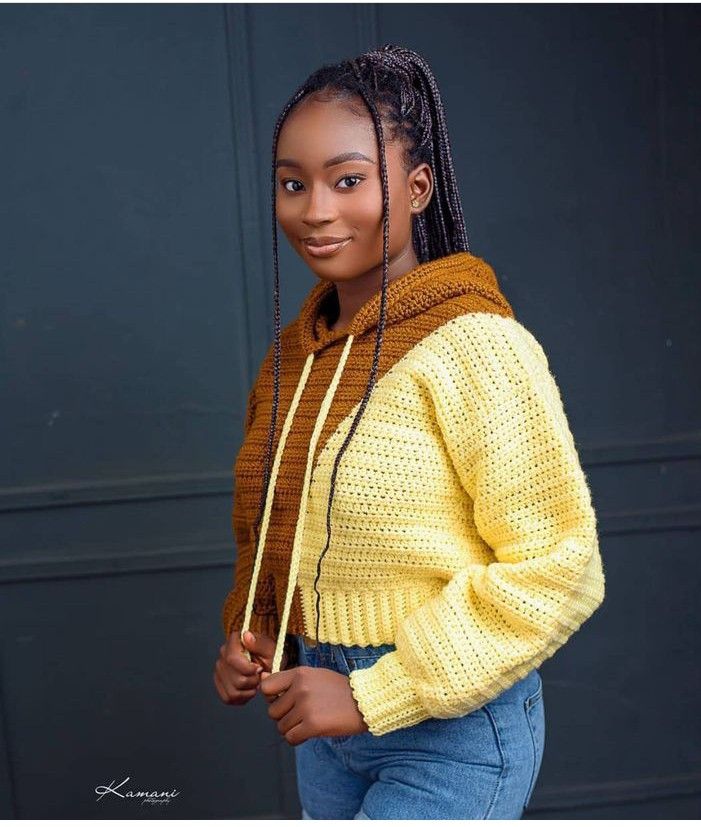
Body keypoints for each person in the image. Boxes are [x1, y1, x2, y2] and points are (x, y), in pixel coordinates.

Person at [213, 44, 606, 820]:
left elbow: (561, 568)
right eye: (293, 184)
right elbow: (287, 521)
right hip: (321, 717)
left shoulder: (475, 345)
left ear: (418, 187)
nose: (315, 208)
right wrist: (255, 630)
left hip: (449, 726)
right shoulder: (296, 356)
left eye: (348, 179)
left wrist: (373, 693)